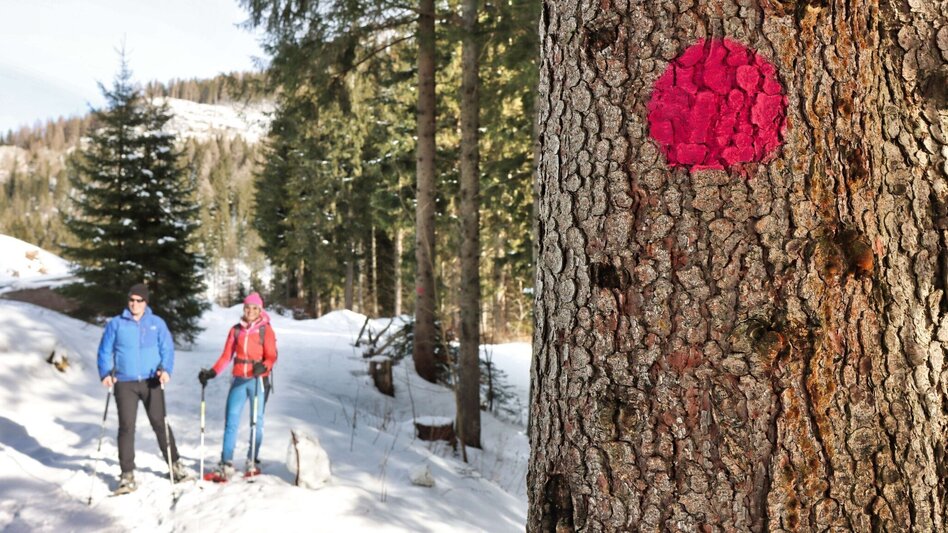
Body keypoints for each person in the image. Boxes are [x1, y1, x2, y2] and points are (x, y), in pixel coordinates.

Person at [97, 283, 190, 494]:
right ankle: (127, 475)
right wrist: (105, 373)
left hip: (152, 381)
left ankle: (175, 465)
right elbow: (104, 350)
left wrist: (166, 369)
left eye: (139, 300)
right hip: (125, 382)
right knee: (126, 427)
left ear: (146, 302)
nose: (134, 304)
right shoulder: (116, 324)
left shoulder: (156, 323)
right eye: (131, 299)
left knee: (160, 423)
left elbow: (167, 348)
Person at [198, 292, 277, 480]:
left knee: (256, 421)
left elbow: (272, 356)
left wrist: (263, 366)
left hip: (258, 380)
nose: (251, 311)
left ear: (260, 310)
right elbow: (226, 356)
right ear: (244, 308)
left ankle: (252, 459)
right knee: (231, 421)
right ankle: (226, 462)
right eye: (248, 307)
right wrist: (212, 372)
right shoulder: (236, 330)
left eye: (255, 308)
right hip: (239, 381)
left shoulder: (266, 330)